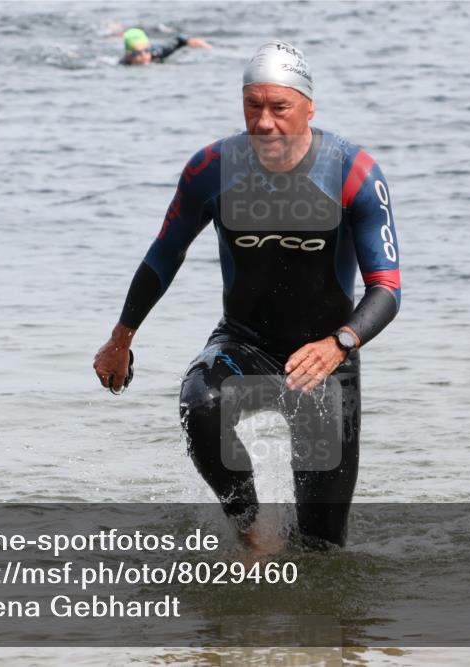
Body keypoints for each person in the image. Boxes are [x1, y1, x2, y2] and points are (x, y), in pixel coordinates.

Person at [94, 41, 401, 552]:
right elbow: (164, 254)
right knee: (200, 402)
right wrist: (120, 337)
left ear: (308, 107)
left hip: (325, 362)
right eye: (252, 106)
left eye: (279, 108)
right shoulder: (212, 169)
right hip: (244, 344)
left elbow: (386, 289)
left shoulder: (353, 173)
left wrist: (339, 344)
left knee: (322, 551)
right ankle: (253, 529)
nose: (264, 123)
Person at [120, 27, 211, 65]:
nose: (144, 55)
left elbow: (182, 40)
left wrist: (208, 48)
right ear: (128, 55)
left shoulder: (157, 52)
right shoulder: (123, 64)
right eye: (137, 53)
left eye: (147, 50)